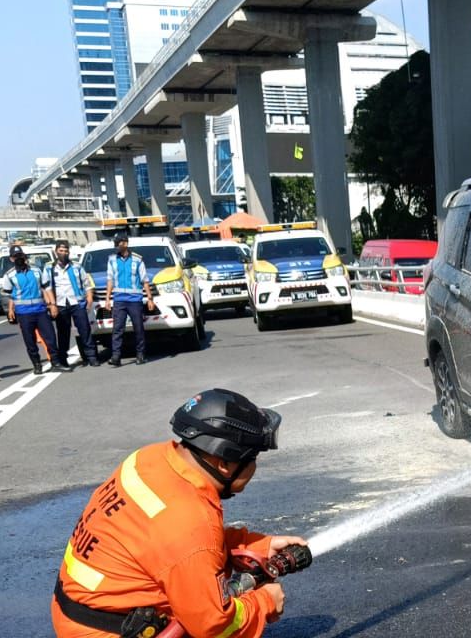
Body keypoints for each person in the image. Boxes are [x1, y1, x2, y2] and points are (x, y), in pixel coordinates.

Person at [51, 389, 303, 638]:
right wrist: (264, 602)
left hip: (80, 610)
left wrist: (253, 545)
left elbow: (159, 540)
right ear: (225, 464)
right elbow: (213, 626)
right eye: (254, 458)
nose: (255, 467)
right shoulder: (189, 520)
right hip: (108, 631)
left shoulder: (148, 458)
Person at [0, 245, 69, 375]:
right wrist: (11, 310)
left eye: (20, 255)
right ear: (11, 259)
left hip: (40, 310)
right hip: (23, 313)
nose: (19, 258)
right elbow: (10, 295)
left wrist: (53, 304)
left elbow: (46, 287)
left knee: (50, 337)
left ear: (24, 256)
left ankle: (56, 362)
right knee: (30, 341)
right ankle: (37, 364)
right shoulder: (9, 276)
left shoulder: (36, 271)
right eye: (15, 257)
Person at [46, 240, 100, 368]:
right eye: (61, 251)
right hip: (60, 303)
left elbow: (87, 284)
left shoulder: (76, 267)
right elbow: (46, 287)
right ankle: (63, 359)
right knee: (63, 333)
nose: (63, 253)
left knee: (84, 330)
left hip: (77, 302)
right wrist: (51, 304)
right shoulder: (49, 267)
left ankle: (91, 357)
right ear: (56, 252)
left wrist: (90, 298)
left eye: (66, 251)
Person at [103, 233, 154, 367]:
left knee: (138, 328)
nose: (116, 246)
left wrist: (149, 298)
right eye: (115, 243)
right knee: (117, 329)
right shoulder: (112, 259)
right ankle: (116, 356)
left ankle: (140, 354)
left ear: (125, 243)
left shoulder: (137, 260)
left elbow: (145, 280)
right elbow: (110, 279)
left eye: (118, 243)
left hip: (135, 300)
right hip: (119, 300)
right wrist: (107, 298)